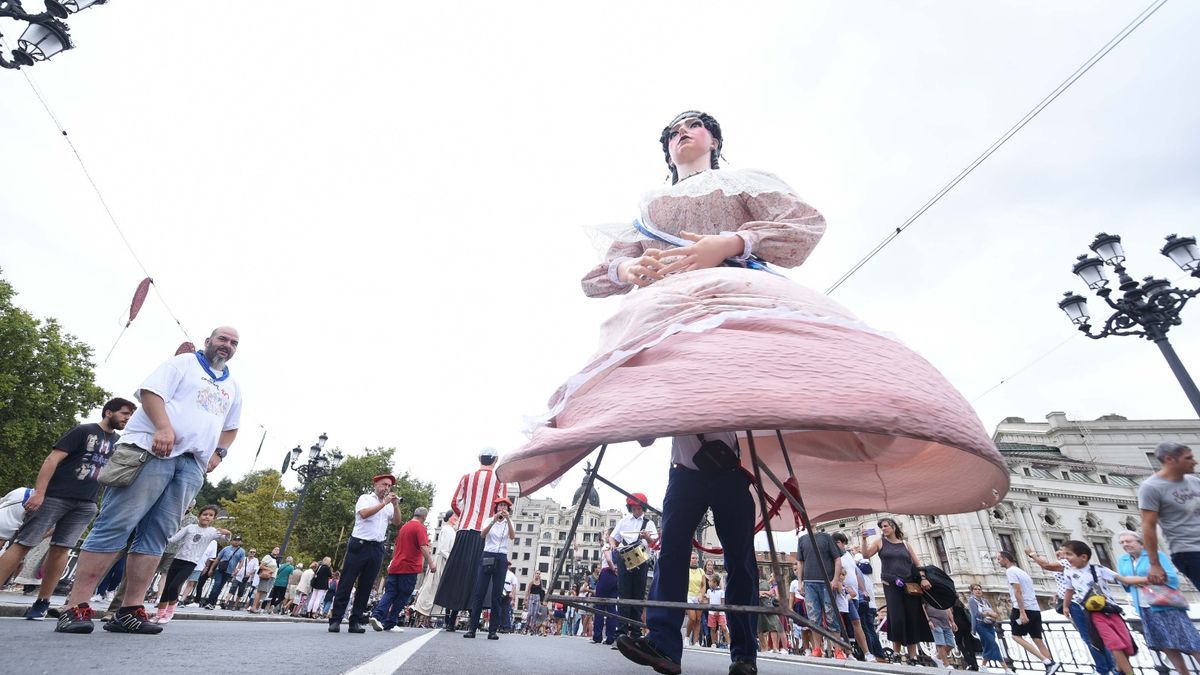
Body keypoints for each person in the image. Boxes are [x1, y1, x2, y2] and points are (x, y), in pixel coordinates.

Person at [55, 327, 242, 636]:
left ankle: (129, 610)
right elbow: (150, 393)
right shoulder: (182, 364)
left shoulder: (232, 386)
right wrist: (163, 428)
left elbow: (232, 427)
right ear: (208, 341)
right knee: (116, 524)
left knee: (157, 536)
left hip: (191, 464)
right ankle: (76, 606)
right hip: (150, 451)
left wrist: (218, 453)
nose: (227, 345)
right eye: (222, 339)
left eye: (234, 343)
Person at [0, 398, 135, 620]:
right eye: (124, 413)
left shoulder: (119, 443)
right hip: (55, 496)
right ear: (108, 412)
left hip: (86, 503)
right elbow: (52, 460)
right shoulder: (83, 431)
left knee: (61, 549)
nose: (126, 419)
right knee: (24, 543)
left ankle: (42, 602)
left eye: (130, 416)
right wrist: (40, 493)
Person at [435, 448, 506, 631]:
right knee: (480, 576)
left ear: (479, 459)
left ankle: (450, 619)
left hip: (465, 529)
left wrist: (465, 514)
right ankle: (474, 622)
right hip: (485, 533)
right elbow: (501, 507)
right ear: (495, 460)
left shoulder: (467, 477)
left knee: (458, 572)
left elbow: (455, 502)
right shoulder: (500, 480)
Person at [1114, 530, 1200, 674]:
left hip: (1166, 606)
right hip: (1144, 607)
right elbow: (1125, 583)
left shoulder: (1155, 556)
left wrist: (1139, 580)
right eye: (1122, 542)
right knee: (1167, 646)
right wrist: (1130, 581)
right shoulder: (1123, 560)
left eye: (1129, 541)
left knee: (1190, 643)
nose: (1125, 544)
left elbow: (1170, 577)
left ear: (1140, 542)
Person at [1026, 546, 1116, 675]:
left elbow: (1046, 565)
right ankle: (1109, 667)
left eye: (1064, 551)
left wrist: (1032, 554)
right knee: (1093, 636)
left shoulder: (1066, 563)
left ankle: (1103, 669)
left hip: (1076, 603)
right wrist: (1059, 594)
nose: (1059, 552)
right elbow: (1069, 584)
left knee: (1089, 637)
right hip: (1076, 602)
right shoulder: (1069, 565)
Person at [329, 473, 401, 633]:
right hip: (359, 545)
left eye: (389, 486)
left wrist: (395, 505)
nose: (387, 488)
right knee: (347, 583)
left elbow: (397, 522)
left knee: (366, 586)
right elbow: (364, 514)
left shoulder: (389, 505)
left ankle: (355, 621)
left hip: (377, 547)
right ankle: (336, 619)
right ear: (375, 485)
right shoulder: (365, 498)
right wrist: (384, 503)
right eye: (384, 485)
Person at [1060, 540, 1142, 675]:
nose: (1065, 557)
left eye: (1069, 554)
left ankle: (1118, 670)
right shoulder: (1068, 573)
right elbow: (1069, 590)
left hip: (1112, 610)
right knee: (1114, 644)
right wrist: (1065, 606)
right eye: (1064, 554)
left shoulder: (1099, 569)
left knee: (1126, 644)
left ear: (1083, 557)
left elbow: (1124, 580)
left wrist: (1147, 579)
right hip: (1094, 614)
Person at [860, 518, 933, 665]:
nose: (884, 529)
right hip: (891, 584)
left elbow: (917, 564)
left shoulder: (905, 544)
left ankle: (913, 656)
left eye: (886, 526)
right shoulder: (880, 542)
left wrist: (923, 578)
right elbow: (866, 555)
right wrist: (864, 540)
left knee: (912, 618)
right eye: (882, 527)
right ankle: (897, 654)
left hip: (909, 585)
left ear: (894, 527)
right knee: (897, 617)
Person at [149, 504, 229, 623]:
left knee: (173, 586)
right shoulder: (190, 528)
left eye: (210, 515)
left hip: (190, 563)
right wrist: (161, 533)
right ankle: (159, 614)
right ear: (199, 516)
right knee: (167, 588)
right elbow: (173, 539)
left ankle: (169, 613)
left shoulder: (212, 531)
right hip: (178, 559)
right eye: (205, 514)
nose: (207, 517)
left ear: (214, 518)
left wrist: (227, 533)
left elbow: (225, 539)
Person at [1139, 441, 1199, 590]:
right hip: (1188, 551)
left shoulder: (1194, 481)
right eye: (1188, 458)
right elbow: (1148, 526)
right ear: (1169, 460)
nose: (1194, 462)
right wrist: (1154, 564)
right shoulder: (1151, 487)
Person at [371, 506, 435, 633]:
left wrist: (393, 561)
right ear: (424, 517)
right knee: (403, 594)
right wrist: (431, 563)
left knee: (390, 592)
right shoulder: (420, 527)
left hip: (396, 565)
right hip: (409, 566)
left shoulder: (404, 527)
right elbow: (423, 546)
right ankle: (390, 622)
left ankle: (377, 615)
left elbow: (396, 546)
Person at [997, 550, 1061, 674]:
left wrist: (1021, 611)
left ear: (1005, 559)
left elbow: (1018, 591)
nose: (998, 561)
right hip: (1035, 608)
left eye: (999, 559)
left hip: (1023, 608)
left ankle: (1047, 662)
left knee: (1016, 636)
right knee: (1037, 639)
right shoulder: (1022, 571)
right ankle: (1051, 666)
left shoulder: (1011, 572)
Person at [609, 491, 658, 641]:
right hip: (624, 559)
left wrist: (647, 537)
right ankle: (622, 632)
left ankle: (636, 632)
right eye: (634, 508)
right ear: (630, 507)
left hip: (641, 561)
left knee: (638, 595)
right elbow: (613, 537)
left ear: (643, 508)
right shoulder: (624, 521)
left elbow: (654, 543)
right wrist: (612, 545)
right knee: (624, 594)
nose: (637, 511)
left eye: (639, 508)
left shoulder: (649, 523)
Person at [464, 496, 515, 640]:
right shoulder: (488, 520)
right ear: (496, 508)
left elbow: (512, 536)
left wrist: (508, 520)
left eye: (505, 506)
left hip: (501, 556)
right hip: (488, 554)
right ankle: (472, 628)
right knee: (479, 592)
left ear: (508, 509)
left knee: (497, 595)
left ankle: (493, 630)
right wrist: (494, 520)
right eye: (500, 506)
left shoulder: (509, 522)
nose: (502, 508)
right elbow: (482, 535)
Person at [413, 511, 456, 625]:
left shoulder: (449, 530)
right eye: (454, 516)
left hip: (443, 559)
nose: (456, 518)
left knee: (434, 587)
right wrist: (452, 559)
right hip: (442, 559)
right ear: (450, 518)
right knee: (433, 586)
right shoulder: (448, 530)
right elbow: (443, 549)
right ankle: (422, 615)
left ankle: (425, 616)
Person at [833, 532, 870, 659]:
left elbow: (856, 573)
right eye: (835, 543)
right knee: (849, 622)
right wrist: (842, 588)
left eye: (838, 542)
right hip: (842, 594)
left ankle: (865, 652)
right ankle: (849, 652)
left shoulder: (848, 555)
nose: (837, 545)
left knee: (855, 623)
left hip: (854, 594)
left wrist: (863, 590)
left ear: (843, 543)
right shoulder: (833, 557)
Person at [968, 583, 1010, 671]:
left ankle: (983, 666)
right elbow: (976, 614)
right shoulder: (972, 600)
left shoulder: (985, 600)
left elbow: (992, 611)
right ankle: (1006, 668)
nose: (978, 591)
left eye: (979, 589)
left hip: (990, 625)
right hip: (980, 625)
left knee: (989, 645)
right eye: (975, 589)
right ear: (972, 591)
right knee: (993, 644)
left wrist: (993, 615)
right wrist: (988, 613)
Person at [203, 535, 244, 609]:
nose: (236, 541)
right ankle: (209, 602)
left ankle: (212, 603)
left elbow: (241, 562)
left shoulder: (241, 551)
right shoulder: (226, 548)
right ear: (232, 540)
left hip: (229, 571)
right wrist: (211, 569)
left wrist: (237, 570)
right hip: (220, 569)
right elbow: (218, 559)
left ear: (240, 542)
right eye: (235, 540)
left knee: (220, 587)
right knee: (216, 585)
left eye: (238, 540)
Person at [249, 546, 279, 613]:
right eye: (275, 549)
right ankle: (253, 607)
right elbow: (261, 566)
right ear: (272, 550)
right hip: (266, 576)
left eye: (278, 550)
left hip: (272, 577)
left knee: (264, 592)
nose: (277, 551)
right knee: (260, 591)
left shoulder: (276, 559)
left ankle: (257, 607)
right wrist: (270, 569)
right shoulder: (268, 557)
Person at [685, 552, 705, 646]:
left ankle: (696, 641)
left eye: (696, 558)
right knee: (692, 618)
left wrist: (702, 595)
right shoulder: (685, 570)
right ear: (689, 559)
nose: (695, 560)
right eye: (693, 558)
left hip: (698, 596)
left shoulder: (701, 571)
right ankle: (687, 637)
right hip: (689, 595)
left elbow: (703, 585)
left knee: (698, 619)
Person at [526, 570, 546, 637]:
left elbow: (542, 591)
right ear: (535, 574)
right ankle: (527, 625)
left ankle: (532, 628)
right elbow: (528, 590)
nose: (538, 575)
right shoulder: (531, 582)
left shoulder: (541, 582)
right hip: (531, 597)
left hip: (537, 597)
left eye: (539, 574)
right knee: (530, 613)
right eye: (537, 573)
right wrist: (526, 599)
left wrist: (542, 600)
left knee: (535, 614)